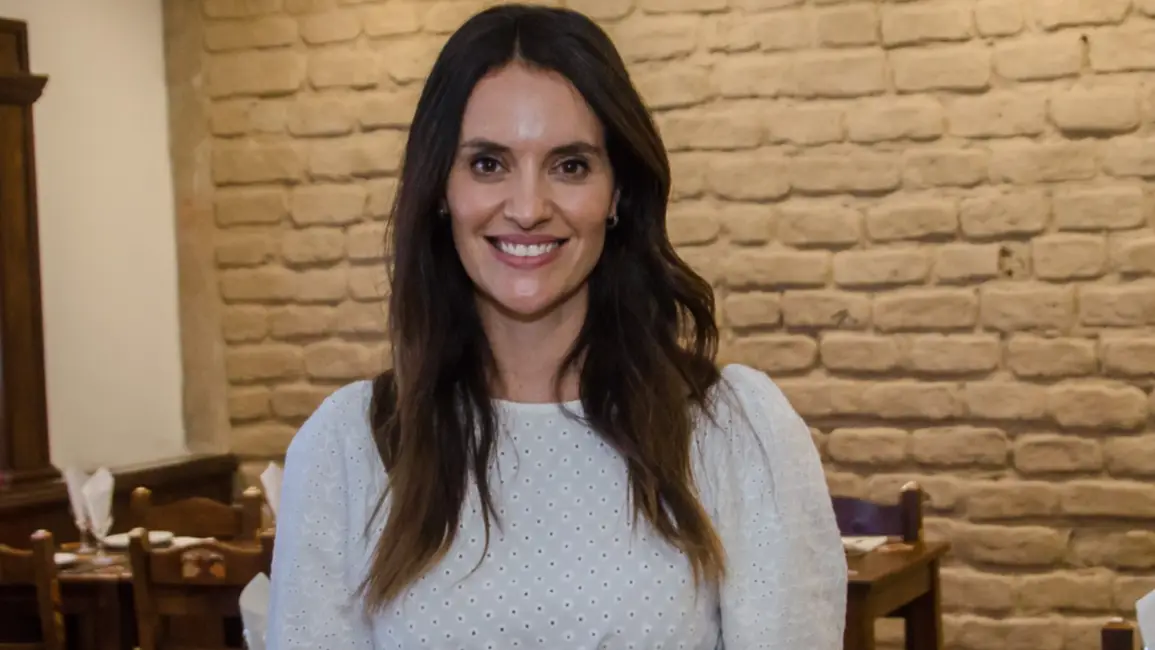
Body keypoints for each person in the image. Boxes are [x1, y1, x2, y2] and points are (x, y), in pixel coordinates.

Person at [266, 4, 846, 648]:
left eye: (569, 165)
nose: (527, 208)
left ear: (617, 193)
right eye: (489, 164)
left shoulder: (736, 431)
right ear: (441, 190)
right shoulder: (345, 449)